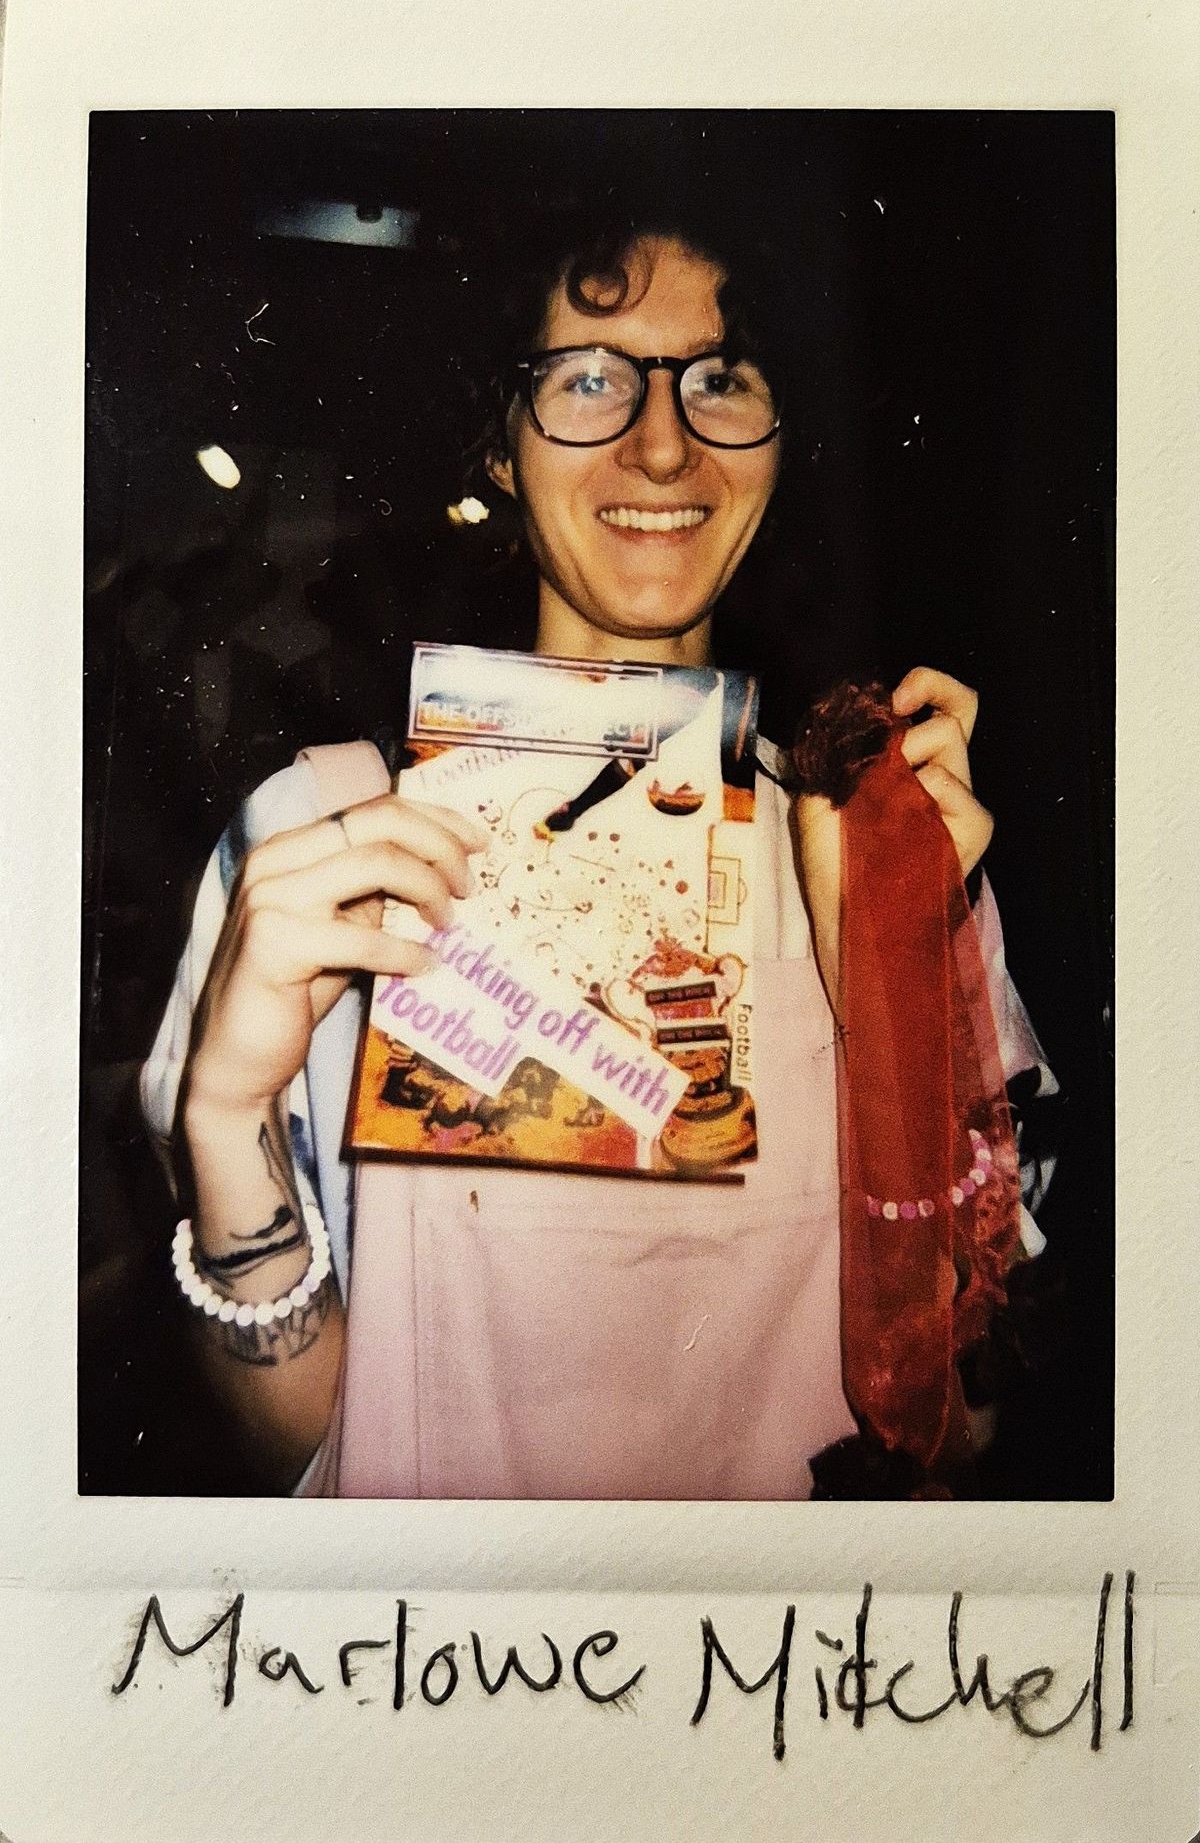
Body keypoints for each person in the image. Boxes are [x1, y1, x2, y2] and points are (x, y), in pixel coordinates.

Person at [142, 218, 1054, 1500]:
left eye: (721, 377)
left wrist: (895, 1003)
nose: (665, 442)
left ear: (782, 438)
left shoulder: (883, 850)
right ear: (498, 449)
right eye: (587, 378)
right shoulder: (320, 846)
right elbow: (297, 1442)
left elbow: (963, 1438)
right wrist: (227, 1117)